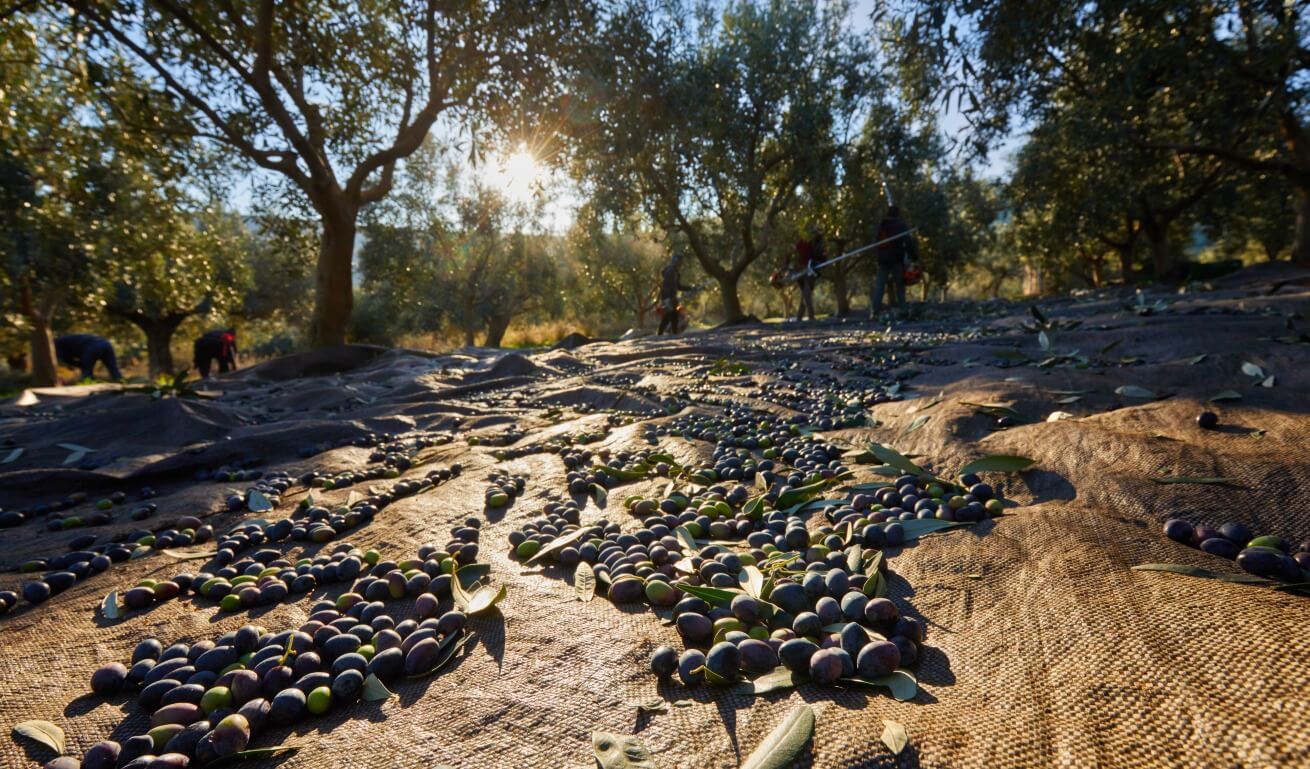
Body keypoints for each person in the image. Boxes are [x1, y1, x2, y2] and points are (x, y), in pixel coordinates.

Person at [871, 205, 918, 316]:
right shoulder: (900, 225)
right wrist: (914, 257)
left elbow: (877, 241)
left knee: (880, 285)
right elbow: (908, 242)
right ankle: (903, 310)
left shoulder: (882, 225)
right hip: (896, 259)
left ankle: (875, 311)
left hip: (882, 260)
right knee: (900, 285)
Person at [54, 334, 123, 381]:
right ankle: (122, 384)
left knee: (86, 372)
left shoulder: (56, 344)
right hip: (106, 344)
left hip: (92, 346)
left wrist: (78, 364)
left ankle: (89, 391)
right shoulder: (64, 340)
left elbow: (66, 358)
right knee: (113, 369)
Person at [791, 225, 824, 322]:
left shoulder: (813, 243)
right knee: (806, 294)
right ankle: (811, 316)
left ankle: (799, 317)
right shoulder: (803, 243)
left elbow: (818, 255)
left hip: (810, 269)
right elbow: (795, 256)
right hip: (802, 270)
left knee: (805, 293)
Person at [657, 252, 694, 335]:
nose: (680, 263)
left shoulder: (676, 272)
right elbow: (667, 286)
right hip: (668, 297)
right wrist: (669, 299)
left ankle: (673, 335)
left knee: (674, 316)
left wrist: (690, 288)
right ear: (675, 260)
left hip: (671, 297)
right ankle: (660, 335)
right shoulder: (671, 271)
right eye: (679, 260)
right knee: (668, 316)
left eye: (681, 261)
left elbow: (678, 286)